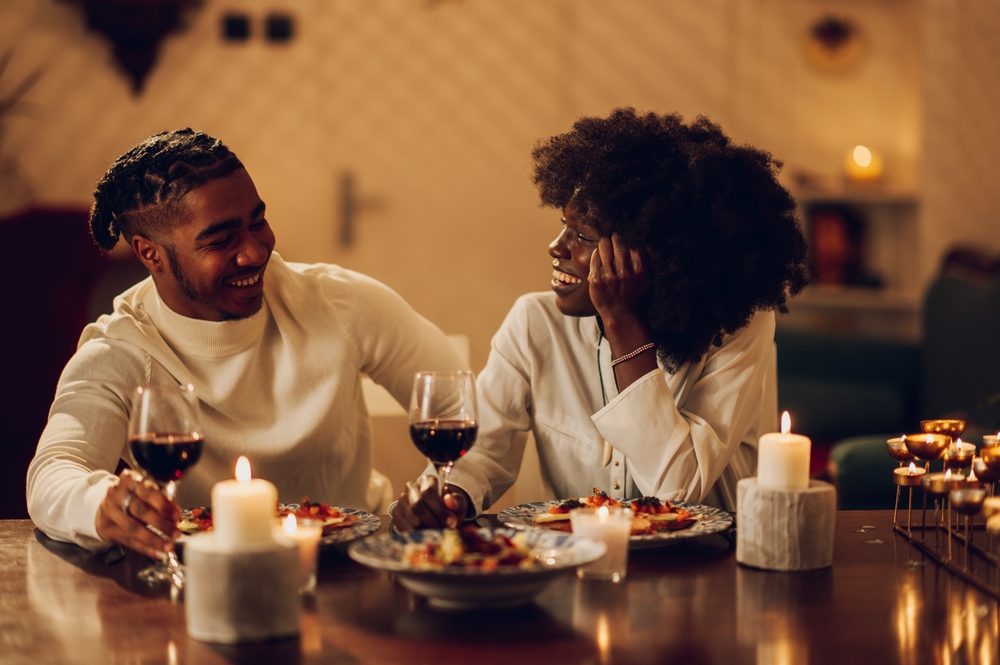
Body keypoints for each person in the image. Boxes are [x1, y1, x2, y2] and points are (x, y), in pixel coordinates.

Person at [26, 129, 466, 559]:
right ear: (150, 254)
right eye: (221, 240)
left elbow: (470, 409)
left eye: (257, 222)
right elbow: (54, 472)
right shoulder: (120, 351)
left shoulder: (340, 304)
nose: (256, 251)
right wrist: (102, 504)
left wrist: (446, 490)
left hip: (353, 567)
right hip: (204, 580)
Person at [392, 108, 809, 530]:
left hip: (705, 568)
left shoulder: (737, 328)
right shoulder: (533, 324)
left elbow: (676, 491)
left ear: (658, 255)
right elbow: (482, 451)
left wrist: (622, 321)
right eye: (563, 226)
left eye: (583, 236)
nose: (556, 247)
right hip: (572, 568)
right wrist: (448, 494)